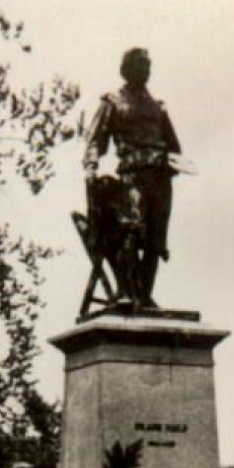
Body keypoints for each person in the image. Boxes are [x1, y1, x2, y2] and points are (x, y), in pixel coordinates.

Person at [84, 47, 183, 309]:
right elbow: (95, 140)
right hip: (132, 176)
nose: (146, 70)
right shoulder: (113, 102)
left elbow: (174, 147)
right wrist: (91, 167)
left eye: (148, 65)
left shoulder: (158, 108)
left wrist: (172, 164)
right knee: (131, 230)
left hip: (160, 179)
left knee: (155, 241)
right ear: (127, 69)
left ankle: (145, 295)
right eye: (140, 65)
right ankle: (125, 290)